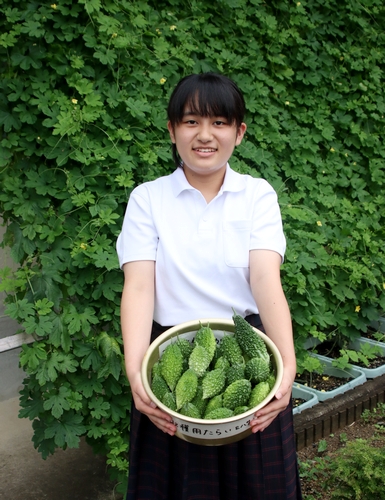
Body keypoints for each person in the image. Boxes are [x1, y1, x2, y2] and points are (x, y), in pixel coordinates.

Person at [116, 72, 302, 500]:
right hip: (170, 357)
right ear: (172, 130)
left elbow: (265, 279)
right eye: (191, 121)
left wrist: (287, 366)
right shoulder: (148, 198)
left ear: (239, 133)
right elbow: (140, 286)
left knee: (260, 487)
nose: (205, 135)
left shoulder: (258, 196)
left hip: (250, 350)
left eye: (219, 122)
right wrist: (135, 371)